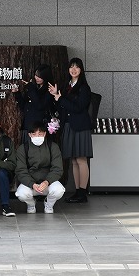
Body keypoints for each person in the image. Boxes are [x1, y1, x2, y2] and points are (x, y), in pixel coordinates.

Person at [49, 57, 93, 204]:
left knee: (81, 159)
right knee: (74, 160)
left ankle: (82, 192)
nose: (73, 70)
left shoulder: (84, 88)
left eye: (77, 67)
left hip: (80, 126)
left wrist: (60, 98)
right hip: (68, 125)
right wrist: (56, 96)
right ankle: (77, 191)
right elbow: (63, 106)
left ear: (81, 70)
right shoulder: (66, 86)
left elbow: (78, 107)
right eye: (71, 67)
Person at [15, 121, 65, 214]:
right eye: (34, 134)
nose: (37, 136)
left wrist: (47, 181)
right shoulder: (23, 148)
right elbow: (20, 170)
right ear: (29, 135)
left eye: (40, 134)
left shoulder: (53, 147)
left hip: (48, 183)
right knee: (21, 194)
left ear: (45, 134)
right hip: (31, 184)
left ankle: (49, 204)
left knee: (59, 190)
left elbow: (57, 168)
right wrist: (32, 184)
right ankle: (31, 204)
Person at [12, 64, 55, 144]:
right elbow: (24, 107)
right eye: (35, 75)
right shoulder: (34, 87)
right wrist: (17, 93)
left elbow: (39, 105)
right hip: (28, 125)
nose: (36, 78)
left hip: (39, 128)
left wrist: (30, 88)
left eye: (40, 76)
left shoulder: (50, 89)